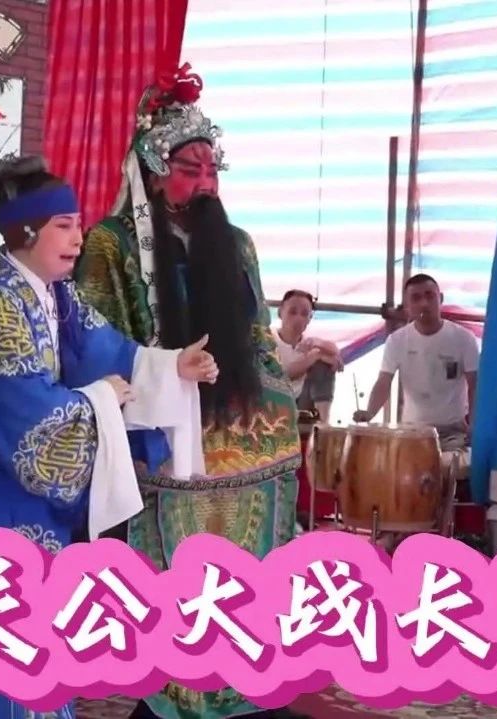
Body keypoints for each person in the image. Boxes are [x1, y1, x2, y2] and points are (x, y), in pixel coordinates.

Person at [0, 155, 217, 719]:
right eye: (64, 225)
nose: (78, 238)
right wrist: (100, 399)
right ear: (27, 231)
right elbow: (32, 418)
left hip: (15, 502)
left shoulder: (59, 299)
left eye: (78, 224)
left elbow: (114, 354)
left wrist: (173, 367)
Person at [75, 63, 306, 719]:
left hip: (245, 433)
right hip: (165, 437)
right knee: (176, 586)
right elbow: (99, 342)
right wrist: (167, 374)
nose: (206, 183)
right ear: (154, 172)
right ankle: (176, 700)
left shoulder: (237, 243)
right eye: (189, 169)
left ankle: (244, 689)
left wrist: (281, 400)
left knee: (248, 580)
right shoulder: (112, 245)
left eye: (212, 171)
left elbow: (255, 335)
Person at [353, 273, 478, 452]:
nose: (424, 303)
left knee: (452, 464)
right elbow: (384, 382)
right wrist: (369, 413)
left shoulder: (464, 338)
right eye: (416, 298)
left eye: (430, 296)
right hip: (411, 432)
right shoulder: (397, 340)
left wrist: (474, 425)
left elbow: (475, 385)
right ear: (407, 306)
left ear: (441, 299)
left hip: (453, 432)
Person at [273, 289, 342, 425]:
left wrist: (320, 348)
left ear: (310, 318)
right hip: (272, 401)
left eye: (304, 314)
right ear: (280, 312)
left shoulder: (309, 344)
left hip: (299, 405)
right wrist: (314, 356)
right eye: (293, 312)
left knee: (324, 364)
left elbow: (335, 351)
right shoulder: (268, 339)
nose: (298, 318)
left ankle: (322, 423)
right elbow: (281, 376)